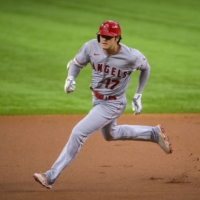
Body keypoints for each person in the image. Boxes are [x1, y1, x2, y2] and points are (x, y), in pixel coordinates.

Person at [33, 20, 173, 189]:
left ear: (117, 38)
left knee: (78, 132)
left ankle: (50, 176)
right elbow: (76, 64)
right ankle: (153, 134)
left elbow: (146, 68)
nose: (103, 39)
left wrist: (138, 94)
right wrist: (70, 77)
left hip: (113, 104)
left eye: (108, 37)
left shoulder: (131, 56)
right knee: (110, 134)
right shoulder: (91, 47)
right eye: (101, 36)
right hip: (97, 99)